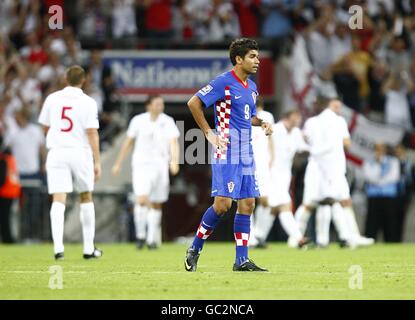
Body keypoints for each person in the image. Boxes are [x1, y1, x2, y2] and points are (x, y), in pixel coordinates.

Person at [184, 38, 272, 272]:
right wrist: (208, 132)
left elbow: (247, 116)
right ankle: (195, 248)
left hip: (246, 151)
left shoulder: (251, 87)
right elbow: (194, 103)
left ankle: (241, 260)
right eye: (252, 56)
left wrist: (261, 122)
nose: (258, 61)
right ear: (238, 59)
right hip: (227, 150)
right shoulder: (224, 82)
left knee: (248, 203)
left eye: (258, 56)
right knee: (222, 205)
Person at [38, 65, 102, 260]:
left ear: (65, 78)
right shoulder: (88, 102)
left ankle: (58, 248)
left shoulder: (52, 98)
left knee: (59, 198)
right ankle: (88, 248)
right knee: (85, 195)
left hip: (57, 151)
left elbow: (45, 127)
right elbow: (91, 132)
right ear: (83, 80)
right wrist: (97, 160)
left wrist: (57, 140)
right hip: (80, 152)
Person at [112, 95, 180, 249]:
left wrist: (174, 161)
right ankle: (140, 235)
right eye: (157, 104)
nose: (160, 107)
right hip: (142, 164)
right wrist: (118, 163)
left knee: (156, 203)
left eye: (161, 104)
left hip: (160, 164)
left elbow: (173, 142)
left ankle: (151, 239)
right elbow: (128, 142)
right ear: (148, 106)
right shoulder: (138, 120)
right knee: (141, 199)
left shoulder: (167, 121)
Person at [252, 109, 309, 248]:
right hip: (271, 173)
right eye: (296, 116)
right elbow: (262, 146)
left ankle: (259, 236)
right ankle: (298, 238)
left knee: (271, 207)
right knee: (283, 205)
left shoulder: (296, 133)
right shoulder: (275, 129)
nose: (298, 119)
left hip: (285, 176)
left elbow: (304, 149)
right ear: (287, 118)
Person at [248, 97, 274, 248]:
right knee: (248, 200)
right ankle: (250, 236)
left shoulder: (267, 116)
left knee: (265, 201)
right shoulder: (243, 117)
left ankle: (259, 234)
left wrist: (272, 158)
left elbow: (271, 138)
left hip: (263, 163)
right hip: (248, 162)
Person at [363, 142, 401, 242]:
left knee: (390, 221)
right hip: (373, 196)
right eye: (377, 148)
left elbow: (394, 177)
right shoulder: (369, 162)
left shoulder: (393, 161)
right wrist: (379, 179)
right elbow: (368, 176)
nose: (379, 151)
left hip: (389, 196)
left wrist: (379, 181)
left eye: (381, 148)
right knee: (372, 222)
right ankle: (370, 240)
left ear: (385, 150)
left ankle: (392, 241)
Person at [0, 134, 21, 243]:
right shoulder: (10, 158)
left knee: (4, 217)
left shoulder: (3, 159)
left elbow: (2, 178)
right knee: (6, 217)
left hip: (5, 191)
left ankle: (7, 238)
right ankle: (8, 238)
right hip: (13, 190)